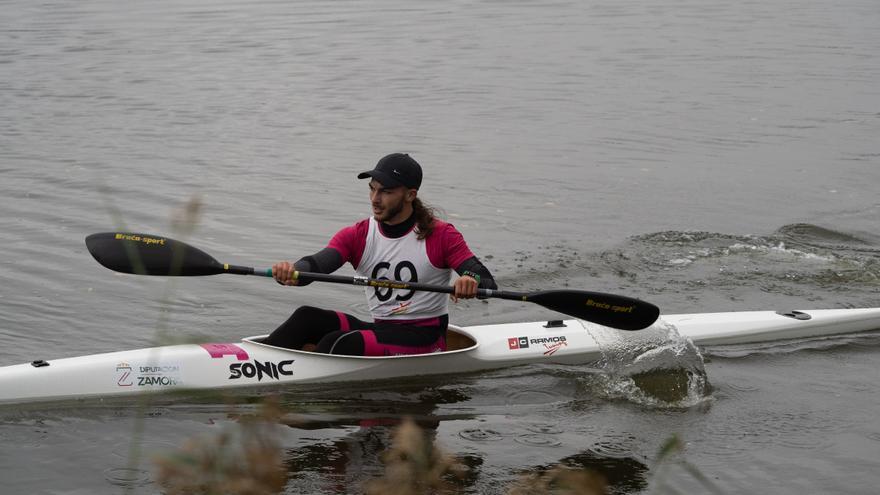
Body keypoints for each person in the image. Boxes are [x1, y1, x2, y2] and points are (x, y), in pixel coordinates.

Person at [264, 153, 497, 356]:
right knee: (306, 318)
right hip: (383, 328)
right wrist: (293, 271)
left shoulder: (440, 235)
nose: (375, 199)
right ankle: (257, 365)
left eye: (386, 191)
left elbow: (485, 279)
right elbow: (319, 263)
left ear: (410, 195)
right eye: (372, 188)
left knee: (340, 343)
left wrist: (470, 281)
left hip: (425, 337)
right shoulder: (359, 234)